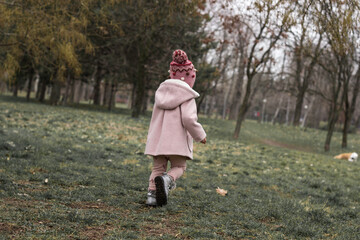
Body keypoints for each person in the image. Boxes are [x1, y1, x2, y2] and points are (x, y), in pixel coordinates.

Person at [144, 49, 207, 207]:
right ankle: (168, 179)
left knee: (158, 167)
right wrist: (200, 135)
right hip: (176, 142)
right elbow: (188, 119)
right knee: (179, 166)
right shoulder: (187, 96)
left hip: (158, 141)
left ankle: (152, 196)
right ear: (190, 76)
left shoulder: (161, 93)